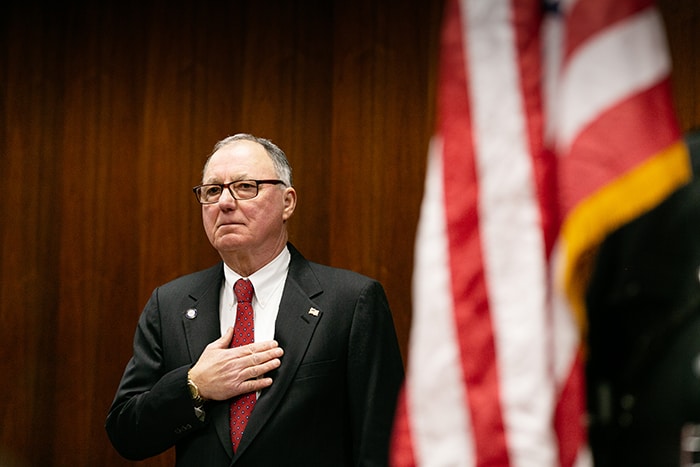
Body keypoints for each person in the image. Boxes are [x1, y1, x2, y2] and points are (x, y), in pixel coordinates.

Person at [106, 133, 404, 466]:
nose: (225, 203)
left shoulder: (351, 303)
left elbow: (384, 444)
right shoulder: (170, 304)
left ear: (287, 202)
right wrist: (194, 386)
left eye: (246, 186)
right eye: (213, 190)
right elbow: (125, 431)